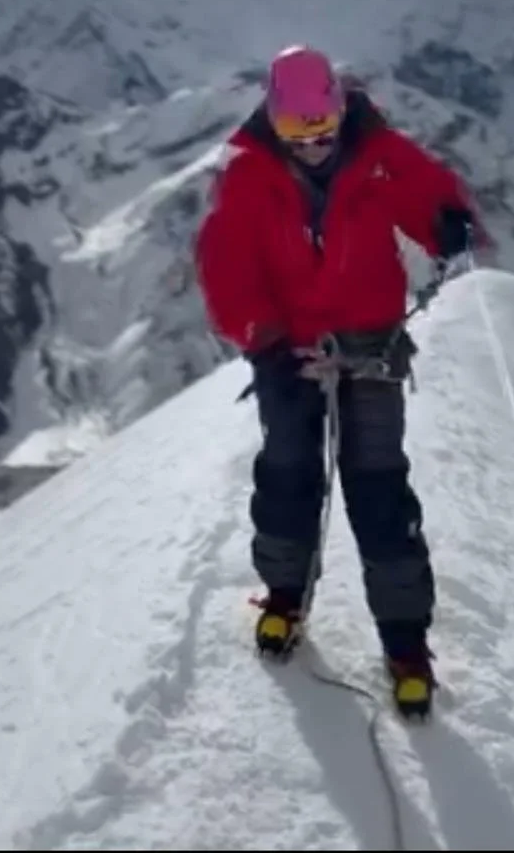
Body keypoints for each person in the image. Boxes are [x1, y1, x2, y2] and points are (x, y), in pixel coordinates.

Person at [194, 44, 489, 718]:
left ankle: (406, 643)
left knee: (380, 487)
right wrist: (262, 339)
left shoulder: (378, 152)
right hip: (288, 349)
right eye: (299, 132)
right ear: (274, 118)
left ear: (339, 109)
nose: (315, 144)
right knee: (289, 474)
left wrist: (448, 222)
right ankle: (284, 597)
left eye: (323, 127)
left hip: (371, 343)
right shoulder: (245, 176)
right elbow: (227, 266)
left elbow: (429, 193)